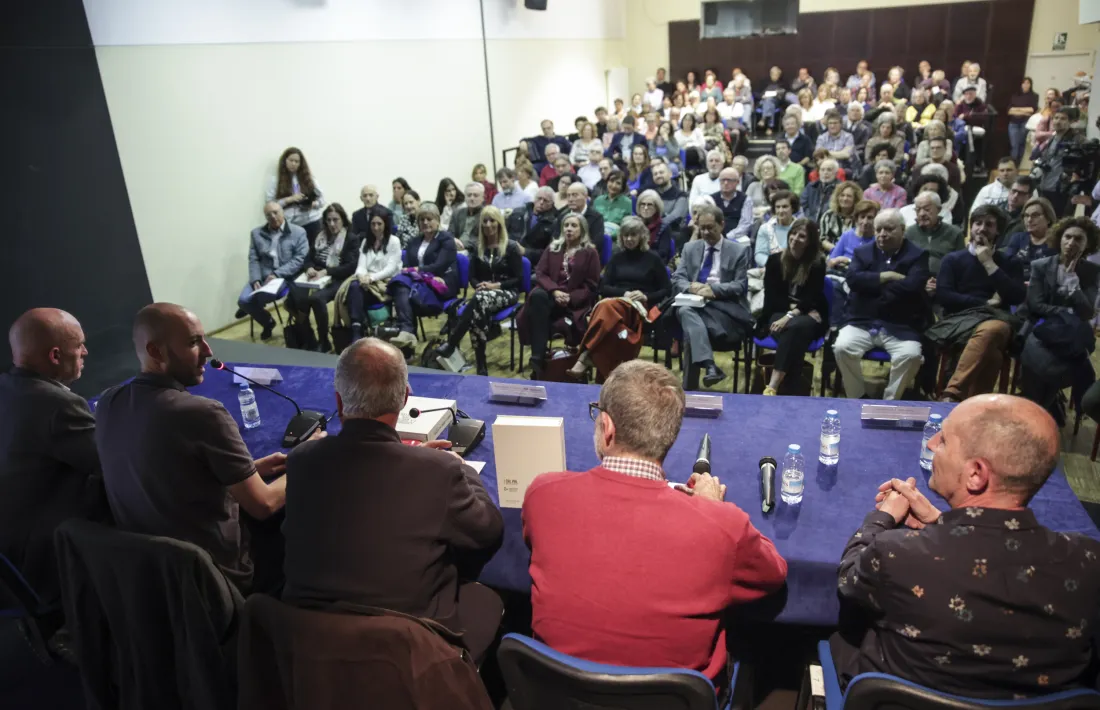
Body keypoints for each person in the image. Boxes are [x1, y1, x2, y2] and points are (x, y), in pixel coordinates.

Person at [526, 359, 785, 691]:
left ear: (607, 427)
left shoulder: (543, 494)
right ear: (670, 433)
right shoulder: (722, 526)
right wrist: (712, 509)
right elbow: (773, 574)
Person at [833, 394, 1100, 698]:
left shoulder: (896, 554)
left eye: (944, 440)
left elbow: (848, 581)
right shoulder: (1088, 561)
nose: (932, 443)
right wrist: (940, 521)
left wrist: (881, 519)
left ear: (975, 474)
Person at [282, 337, 504, 661]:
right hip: (409, 657)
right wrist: (462, 468)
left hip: (306, 653)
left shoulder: (301, 460)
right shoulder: (439, 471)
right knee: (487, 602)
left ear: (339, 402)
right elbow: (489, 533)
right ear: (404, 398)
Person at [97, 303, 293, 594]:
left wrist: (249, 470)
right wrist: (305, 459)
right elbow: (262, 505)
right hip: (217, 577)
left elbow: (173, 475)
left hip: (153, 576)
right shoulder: (202, 413)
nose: (208, 351)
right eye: (193, 342)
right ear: (155, 352)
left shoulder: (107, 402)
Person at [1, 309, 106, 607]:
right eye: (80, 345)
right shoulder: (57, 405)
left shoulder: (6, 387)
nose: (85, 352)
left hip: (8, 556)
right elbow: (111, 462)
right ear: (56, 355)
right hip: (42, 559)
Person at [835, 210, 929, 400]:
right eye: (878, 229)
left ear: (902, 229)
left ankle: (890, 402)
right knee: (842, 348)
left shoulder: (917, 255)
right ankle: (858, 398)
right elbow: (853, 280)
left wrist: (871, 284)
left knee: (911, 356)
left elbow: (914, 286)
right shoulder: (862, 252)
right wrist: (888, 276)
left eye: (889, 229)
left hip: (900, 324)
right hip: (862, 320)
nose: (882, 234)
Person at [934, 206, 1025, 403]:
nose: (982, 229)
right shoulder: (953, 259)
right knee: (993, 355)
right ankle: (975, 406)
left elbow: (1016, 296)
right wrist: (985, 303)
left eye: (989, 225)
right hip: (960, 322)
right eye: (978, 223)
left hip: (999, 321)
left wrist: (988, 264)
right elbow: (944, 295)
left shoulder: (1010, 262)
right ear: (971, 227)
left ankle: (952, 394)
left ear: (998, 231)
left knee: (993, 328)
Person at [567, 218, 672, 381]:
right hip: (616, 305)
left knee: (605, 308)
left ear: (641, 236)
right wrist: (624, 293)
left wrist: (645, 295)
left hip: (639, 309)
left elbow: (667, 290)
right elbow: (604, 287)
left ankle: (585, 355)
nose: (629, 239)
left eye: (633, 235)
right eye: (625, 235)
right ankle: (606, 379)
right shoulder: (616, 258)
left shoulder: (653, 259)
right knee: (611, 322)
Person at [1018, 218, 1100, 420]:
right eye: (1067, 237)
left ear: (1087, 244)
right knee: (1046, 363)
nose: (1071, 243)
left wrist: (1073, 283)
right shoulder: (1041, 266)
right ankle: (1041, 406)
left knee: (1068, 363)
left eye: (1078, 239)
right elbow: (1036, 305)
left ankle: (1041, 407)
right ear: (1059, 239)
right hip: (1041, 328)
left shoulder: (1090, 271)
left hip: (1070, 335)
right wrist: (1067, 312)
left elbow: (1087, 312)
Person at [430, 206, 524, 377]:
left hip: (507, 291)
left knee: (478, 302)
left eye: (492, 220)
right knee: (478, 310)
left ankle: (454, 343)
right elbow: (472, 277)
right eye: (484, 221)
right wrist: (480, 286)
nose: (488, 225)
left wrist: (495, 286)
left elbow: (518, 279)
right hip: (483, 294)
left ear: (499, 223)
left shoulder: (511, 247)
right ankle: (481, 366)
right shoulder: (478, 247)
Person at [672, 204, 753, 388]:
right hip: (694, 301)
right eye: (702, 228)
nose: (706, 232)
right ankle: (709, 367)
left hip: (723, 308)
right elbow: (678, 277)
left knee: (687, 321)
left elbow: (740, 285)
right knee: (687, 312)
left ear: (722, 224)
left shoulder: (738, 251)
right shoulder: (690, 248)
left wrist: (713, 290)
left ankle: (690, 389)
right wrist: (691, 287)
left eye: (710, 227)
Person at [518, 214, 601, 379]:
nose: (569, 229)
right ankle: (538, 356)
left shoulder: (590, 252)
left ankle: (538, 361)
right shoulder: (553, 248)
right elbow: (540, 273)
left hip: (575, 303)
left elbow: (592, 285)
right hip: (550, 297)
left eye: (574, 226)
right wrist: (555, 291)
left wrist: (570, 297)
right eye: (566, 225)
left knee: (537, 305)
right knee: (538, 296)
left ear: (582, 230)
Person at [759, 219, 829, 396]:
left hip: (805, 316)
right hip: (782, 312)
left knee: (794, 328)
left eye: (802, 236)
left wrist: (791, 315)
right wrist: (795, 309)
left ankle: (773, 385)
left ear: (810, 241)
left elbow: (813, 297)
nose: (795, 238)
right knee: (795, 332)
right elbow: (772, 298)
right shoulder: (774, 260)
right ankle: (792, 390)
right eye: (794, 233)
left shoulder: (817, 263)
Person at [286, 203, 360, 353]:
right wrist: (309, 268)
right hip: (317, 276)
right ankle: (308, 338)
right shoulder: (320, 236)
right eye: (329, 220)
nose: (332, 224)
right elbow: (308, 258)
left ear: (343, 220)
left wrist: (327, 272)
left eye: (335, 220)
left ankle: (324, 340)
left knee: (316, 299)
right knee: (295, 297)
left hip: (338, 277)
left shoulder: (350, 238)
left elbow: (350, 267)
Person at [389, 203, 460, 349]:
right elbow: (406, 265)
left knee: (400, 285)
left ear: (437, 220)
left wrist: (417, 270)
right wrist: (414, 272)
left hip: (440, 283)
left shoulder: (446, 239)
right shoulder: (414, 241)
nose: (425, 222)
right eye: (422, 219)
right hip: (418, 283)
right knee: (400, 283)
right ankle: (407, 333)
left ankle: (407, 332)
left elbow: (439, 266)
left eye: (429, 219)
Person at [236, 202, 308, 341]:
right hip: (262, 276)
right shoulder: (256, 234)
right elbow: (253, 259)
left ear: (282, 212)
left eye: (276, 212)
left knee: (257, 298)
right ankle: (267, 322)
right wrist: (255, 279)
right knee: (243, 301)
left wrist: (276, 274)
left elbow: (299, 259)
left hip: (283, 277)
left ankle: (252, 306)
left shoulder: (298, 232)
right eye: (269, 215)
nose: (273, 217)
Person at [346, 207, 402, 342]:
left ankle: (357, 330)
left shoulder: (394, 241)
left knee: (354, 291)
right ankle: (357, 328)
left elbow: (390, 269)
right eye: (373, 224)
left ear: (385, 224)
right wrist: (361, 276)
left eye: (379, 224)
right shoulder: (366, 241)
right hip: (366, 284)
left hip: (386, 284)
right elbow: (361, 266)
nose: (376, 228)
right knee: (354, 287)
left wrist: (371, 278)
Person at [266, 147, 325, 242]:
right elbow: (270, 205)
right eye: (291, 160)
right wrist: (289, 200)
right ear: (285, 161)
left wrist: (312, 204)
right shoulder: (275, 180)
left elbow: (322, 200)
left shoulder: (309, 178)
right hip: (290, 224)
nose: (293, 164)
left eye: (297, 161)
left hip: (312, 221)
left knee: (314, 250)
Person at [904, 192, 964, 275]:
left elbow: (961, 264)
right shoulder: (909, 233)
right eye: (918, 210)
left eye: (927, 209)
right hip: (915, 279)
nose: (922, 214)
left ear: (939, 209)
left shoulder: (954, 233)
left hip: (945, 278)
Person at [1001, 197, 1058, 282]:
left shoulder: (1056, 242)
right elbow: (1006, 264)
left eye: (1035, 215)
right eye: (1026, 215)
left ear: (1048, 219)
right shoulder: (1018, 238)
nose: (1029, 220)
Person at [1036, 108, 1081, 217]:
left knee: (1060, 221)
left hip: (1063, 190)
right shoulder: (1052, 138)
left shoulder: (1078, 140)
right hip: (1045, 186)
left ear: (1071, 121)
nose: (1058, 121)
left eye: (1063, 118)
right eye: (1056, 118)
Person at [507, 186, 559, 268]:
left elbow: (550, 253)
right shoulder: (518, 212)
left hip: (534, 265)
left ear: (552, 204)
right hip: (509, 257)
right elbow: (504, 234)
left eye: (546, 201)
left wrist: (525, 251)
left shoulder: (554, 223)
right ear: (534, 199)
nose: (541, 202)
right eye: (539, 198)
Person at [828, 200, 879, 271]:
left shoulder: (878, 240)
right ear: (857, 219)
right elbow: (831, 261)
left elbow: (872, 267)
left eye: (870, 218)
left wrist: (847, 261)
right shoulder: (847, 235)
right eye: (862, 217)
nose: (865, 222)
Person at [554, 182, 605, 248]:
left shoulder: (596, 218)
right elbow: (556, 239)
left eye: (574, 195)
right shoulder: (563, 216)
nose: (570, 199)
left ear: (585, 197)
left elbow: (595, 244)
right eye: (568, 195)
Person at [755, 190, 799, 267]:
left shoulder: (801, 228)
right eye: (777, 207)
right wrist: (775, 266)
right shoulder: (765, 228)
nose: (780, 211)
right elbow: (759, 255)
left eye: (785, 207)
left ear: (793, 208)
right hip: (770, 269)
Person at [819, 181, 862, 252]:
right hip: (832, 253)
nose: (845, 199)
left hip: (854, 253)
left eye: (849, 196)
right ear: (837, 197)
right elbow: (823, 240)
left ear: (855, 199)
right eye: (842, 195)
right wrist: (837, 251)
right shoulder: (828, 215)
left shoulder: (861, 217)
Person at [712, 167, 753, 241]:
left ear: (737, 182)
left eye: (729, 180)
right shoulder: (711, 199)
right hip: (714, 237)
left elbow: (746, 224)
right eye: (723, 180)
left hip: (737, 238)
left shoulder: (745, 199)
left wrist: (728, 237)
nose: (725, 183)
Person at [635, 189, 674, 263]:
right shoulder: (634, 224)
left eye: (649, 205)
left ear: (657, 208)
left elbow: (662, 253)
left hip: (654, 263)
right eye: (643, 204)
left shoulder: (664, 227)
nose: (645, 208)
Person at [1006, 77, 1039, 164]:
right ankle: (1012, 165)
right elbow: (1009, 110)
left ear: (1031, 85)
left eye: (1028, 83)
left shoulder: (1034, 96)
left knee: (1021, 145)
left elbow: (1032, 110)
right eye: (1024, 83)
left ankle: (1017, 165)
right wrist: (1025, 111)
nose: (1026, 85)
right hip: (1013, 123)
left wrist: (1017, 109)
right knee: (1014, 145)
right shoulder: (1015, 95)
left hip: (1025, 123)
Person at [592, 169, 632, 239]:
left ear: (622, 187)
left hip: (617, 239)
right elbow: (593, 222)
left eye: (618, 183)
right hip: (598, 236)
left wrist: (610, 235)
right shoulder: (598, 200)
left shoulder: (628, 203)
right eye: (611, 181)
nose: (613, 185)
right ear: (607, 182)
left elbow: (627, 226)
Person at [650, 160, 688, 233]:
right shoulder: (650, 195)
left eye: (661, 172)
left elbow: (675, 217)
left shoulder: (681, 195)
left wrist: (654, 226)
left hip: (673, 233)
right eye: (655, 174)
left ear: (670, 174)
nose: (658, 175)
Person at [449, 182, 486, 251]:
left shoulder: (486, 214)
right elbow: (450, 233)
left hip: (475, 251)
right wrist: (453, 240)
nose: (472, 198)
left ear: (483, 198)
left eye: (475, 195)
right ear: (465, 197)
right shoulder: (457, 213)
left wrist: (463, 245)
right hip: (455, 249)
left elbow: (484, 239)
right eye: (469, 195)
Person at [801, 158, 840, 224]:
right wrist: (811, 220)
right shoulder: (811, 186)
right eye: (822, 170)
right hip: (810, 223)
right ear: (819, 172)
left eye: (829, 170)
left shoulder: (840, 188)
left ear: (836, 173)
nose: (825, 172)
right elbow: (803, 206)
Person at [1001, 176, 1035, 246]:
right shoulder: (995, 210)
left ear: (1029, 196)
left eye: (1021, 193)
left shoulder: (1029, 219)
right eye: (1013, 191)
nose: (1015, 196)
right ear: (1009, 190)